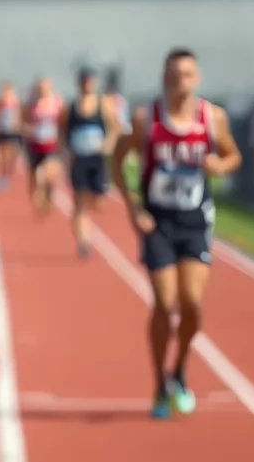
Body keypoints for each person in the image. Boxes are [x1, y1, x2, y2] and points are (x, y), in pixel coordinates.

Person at [111, 48, 241, 420]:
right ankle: (158, 383)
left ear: (195, 78)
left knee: (193, 306)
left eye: (185, 74)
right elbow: (117, 161)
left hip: (196, 220)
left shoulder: (212, 117)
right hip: (159, 221)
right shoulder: (146, 118)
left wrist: (219, 163)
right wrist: (133, 206)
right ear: (163, 76)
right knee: (165, 303)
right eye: (171, 74)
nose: (177, 80)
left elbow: (233, 156)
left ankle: (179, 367)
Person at [59, 67, 121, 258]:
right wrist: (65, 151)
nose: (87, 84)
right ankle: (83, 241)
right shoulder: (71, 106)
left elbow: (115, 126)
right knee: (79, 203)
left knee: (97, 201)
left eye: (90, 81)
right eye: (84, 81)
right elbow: (61, 130)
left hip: (97, 158)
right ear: (79, 83)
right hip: (79, 158)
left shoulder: (103, 104)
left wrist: (108, 144)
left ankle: (89, 210)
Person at [22, 76, 64, 213]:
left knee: (48, 174)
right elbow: (24, 120)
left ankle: (48, 193)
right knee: (35, 176)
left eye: (45, 87)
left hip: (51, 145)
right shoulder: (32, 104)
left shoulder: (56, 102)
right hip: (35, 145)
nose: (42, 90)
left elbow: (63, 122)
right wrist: (27, 129)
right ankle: (39, 196)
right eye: (40, 87)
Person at [0, 80, 22, 189]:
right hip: (1, 131)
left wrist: (18, 126)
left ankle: (7, 173)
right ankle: (2, 176)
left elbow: (18, 115)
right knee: (1, 155)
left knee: (10, 156)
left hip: (12, 131)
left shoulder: (15, 101)